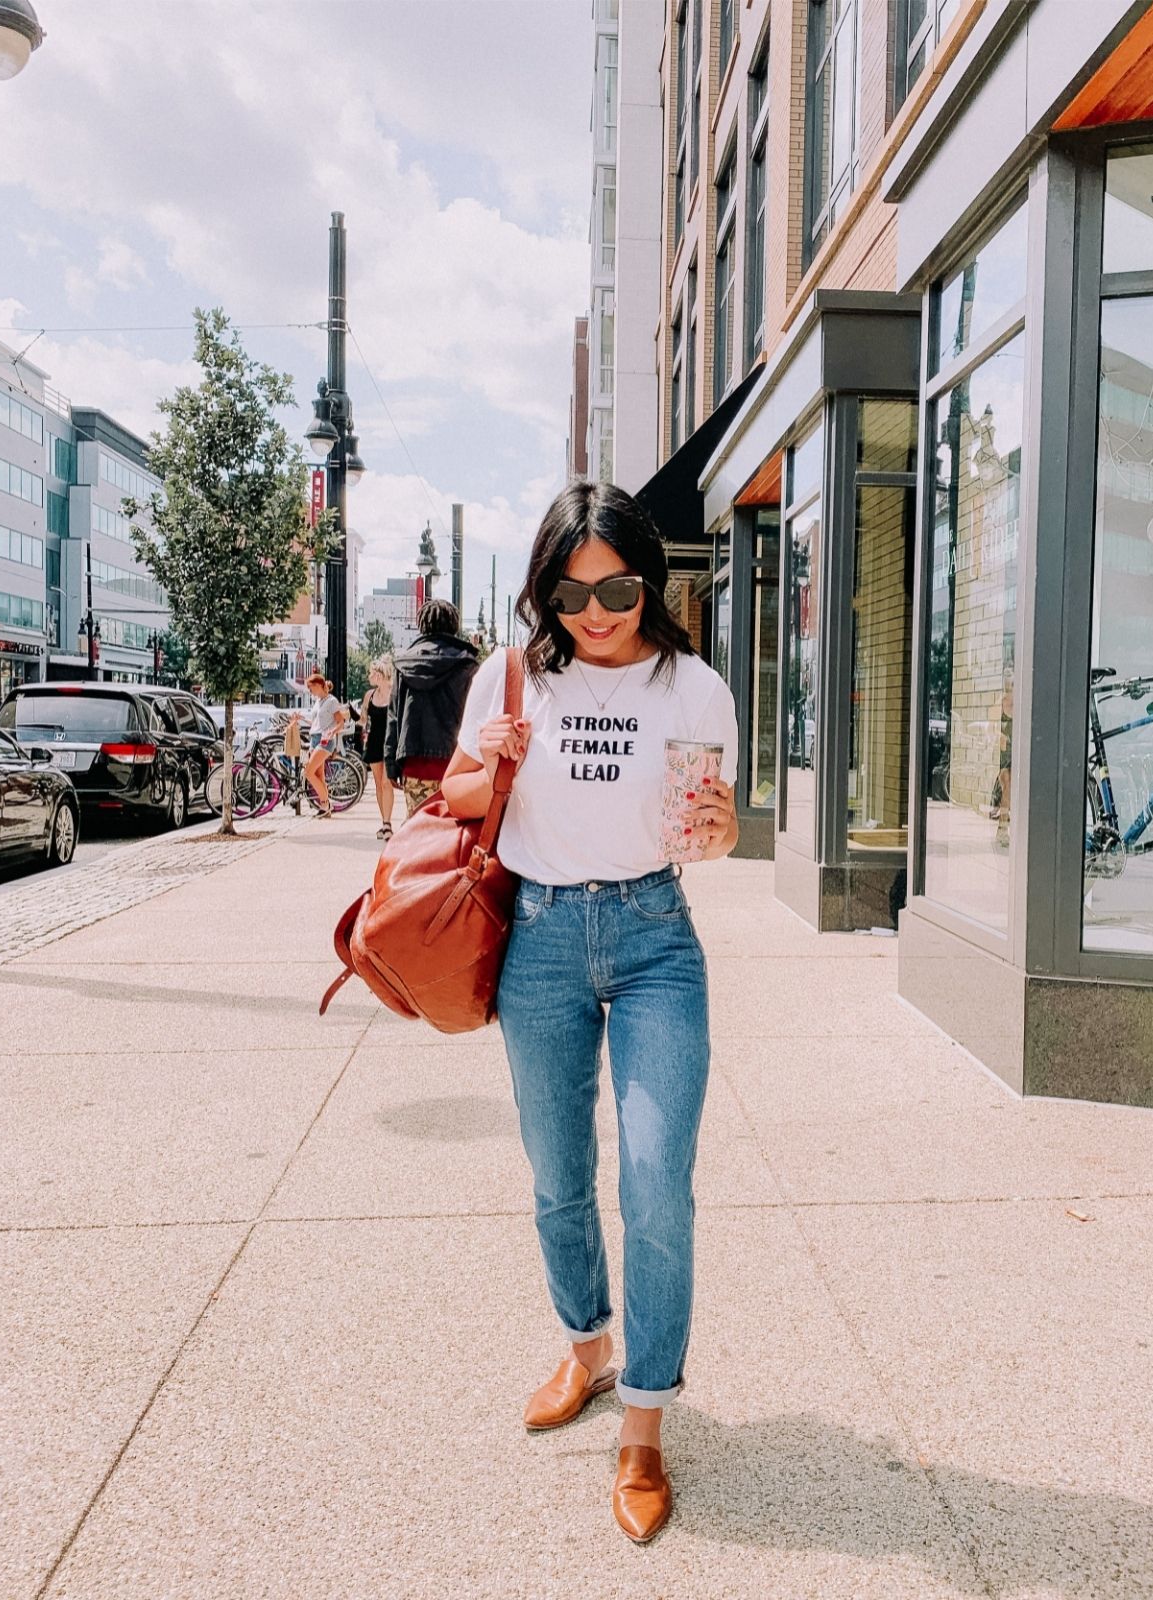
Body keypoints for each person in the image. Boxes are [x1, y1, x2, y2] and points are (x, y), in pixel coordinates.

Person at [441, 482, 738, 1544]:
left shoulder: (693, 685)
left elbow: (709, 832)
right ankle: (585, 1344)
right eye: (571, 591)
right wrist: (500, 762)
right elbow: (461, 802)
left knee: (657, 1177)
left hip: (656, 935)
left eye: (616, 586)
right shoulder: (512, 675)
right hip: (544, 943)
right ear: (545, 591)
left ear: (648, 581)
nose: (596, 611)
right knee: (558, 1173)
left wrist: (724, 824)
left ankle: (646, 1420)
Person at [384, 599, 479, 814]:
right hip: (459, 767)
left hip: (415, 764)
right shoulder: (468, 666)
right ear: (454, 626)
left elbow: (394, 718)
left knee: (421, 834)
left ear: (421, 625)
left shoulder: (404, 665)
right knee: (455, 833)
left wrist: (391, 765)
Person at [360, 656, 396, 839]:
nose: (369, 676)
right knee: (378, 785)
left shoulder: (394, 693)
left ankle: (388, 823)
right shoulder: (369, 695)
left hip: (390, 742)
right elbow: (363, 720)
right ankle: (384, 822)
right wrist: (349, 714)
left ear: (379, 674)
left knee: (386, 782)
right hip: (374, 742)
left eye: (371, 673)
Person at [304, 671, 345, 817]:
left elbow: (341, 722)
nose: (310, 691)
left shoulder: (331, 701)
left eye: (311, 687)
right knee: (319, 775)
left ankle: (326, 805)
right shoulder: (318, 702)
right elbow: (316, 723)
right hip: (314, 739)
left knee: (308, 772)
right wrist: (301, 718)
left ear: (318, 685)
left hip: (324, 741)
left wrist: (331, 732)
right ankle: (324, 807)